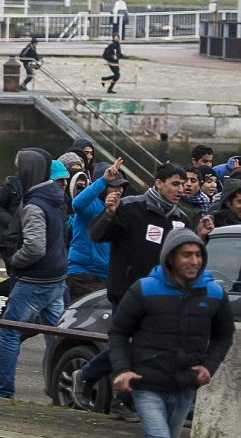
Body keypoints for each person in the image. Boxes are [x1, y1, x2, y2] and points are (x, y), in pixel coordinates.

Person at [72, 163, 191, 417]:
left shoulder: (180, 219)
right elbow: (96, 234)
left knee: (144, 348)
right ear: (159, 183)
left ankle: (107, 387)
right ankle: (111, 391)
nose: (181, 189)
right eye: (175, 184)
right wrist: (109, 213)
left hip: (161, 296)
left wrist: (201, 236)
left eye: (183, 185)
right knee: (128, 346)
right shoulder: (130, 207)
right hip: (127, 292)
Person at [109, 229, 234, 438]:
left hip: (185, 385)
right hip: (147, 384)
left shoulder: (214, 293)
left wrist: (209, 366)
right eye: (187, 255)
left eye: (198, 255)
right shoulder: (144, 289)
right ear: (171, 258)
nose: (194, 261)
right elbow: (118, 332)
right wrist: (122, 369)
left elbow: (224, 334)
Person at [0, 148, 67, 399]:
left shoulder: (35, 204)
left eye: (19, 168)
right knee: (56, 335)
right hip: (57, 277)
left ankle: (3, 390)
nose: (17, 173)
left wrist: (15, 260)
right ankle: (60, 388)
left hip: (35, 279)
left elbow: (35, 247)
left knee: (8, 331)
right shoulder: (55, 197)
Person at [67, 159, 127, 304]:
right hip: (84, 274)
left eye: (121, 186)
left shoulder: (120, 210)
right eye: (114, 185)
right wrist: (103, 180)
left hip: (108, 276)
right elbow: (77, 204)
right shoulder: (91, 206)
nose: (119, 189)